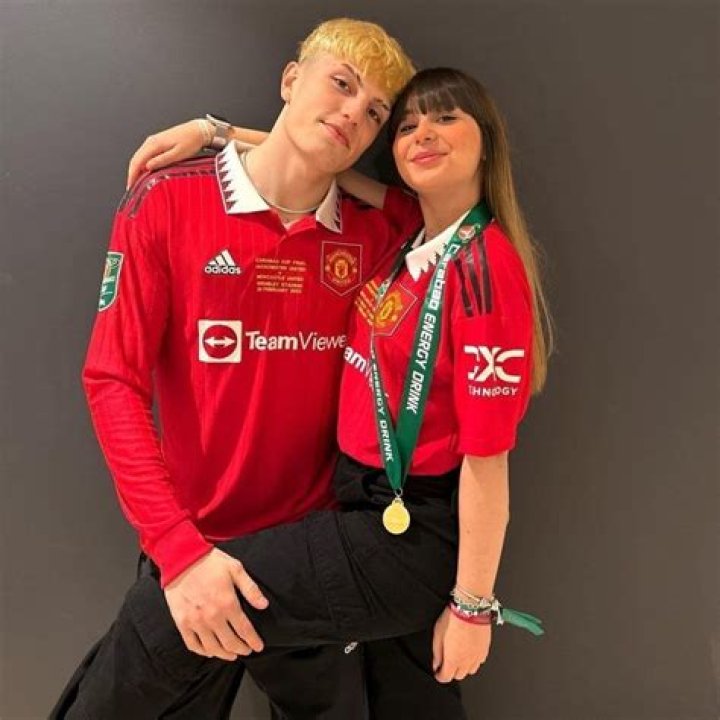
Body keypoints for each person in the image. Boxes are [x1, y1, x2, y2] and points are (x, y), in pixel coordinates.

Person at [54, 65, 552, 719]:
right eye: (406, 125)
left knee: (168, 620)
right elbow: (317, 154)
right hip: (352, 506)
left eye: (445, 118)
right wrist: (216, 134)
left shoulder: (483, 268)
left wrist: (473, 606)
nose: (422, 133)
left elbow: (489, 462)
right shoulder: (409, 229)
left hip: (405, 524)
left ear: (487, 140)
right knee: (409, 703)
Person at [50, 18, 419, 720]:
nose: (353, 113)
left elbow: (433, 208)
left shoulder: (373, 234)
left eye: (375, 111)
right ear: (290, 80)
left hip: (312, 559)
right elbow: (112, 381)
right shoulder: (165, 200)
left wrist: (221, 131)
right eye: (341, 84)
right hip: (195, 555)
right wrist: (179, 552)